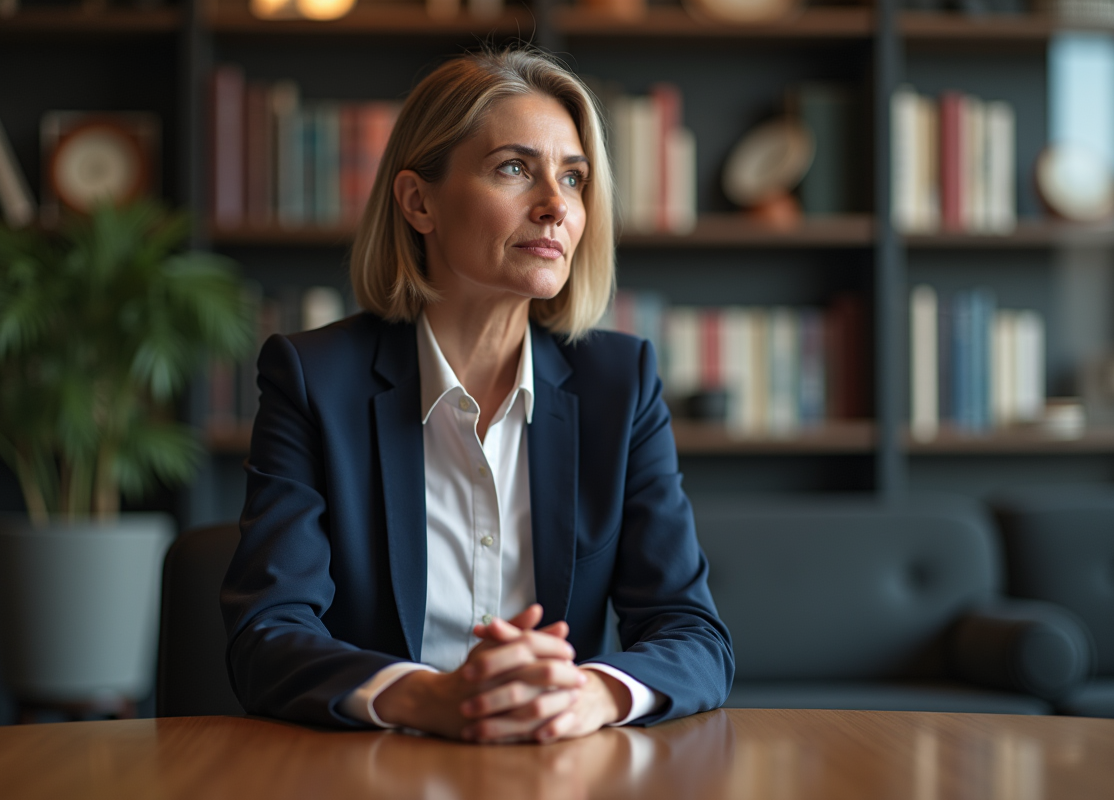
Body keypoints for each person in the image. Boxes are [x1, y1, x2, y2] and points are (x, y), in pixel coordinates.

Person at [221, 48, 734, 745]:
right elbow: (268, 635)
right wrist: (432, 698)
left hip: (556, 769)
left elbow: (693, 634)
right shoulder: (313, 380)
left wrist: (591, 693)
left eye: (574, 177)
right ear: (418, 201)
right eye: (515, 169)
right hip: (369, 774)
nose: (556, 205)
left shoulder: (621, 384)